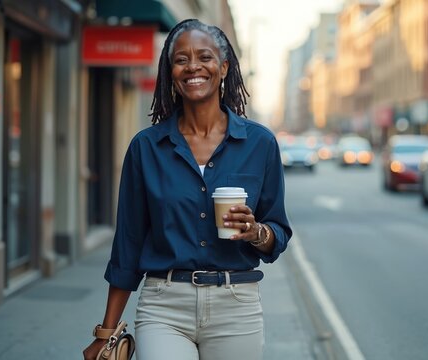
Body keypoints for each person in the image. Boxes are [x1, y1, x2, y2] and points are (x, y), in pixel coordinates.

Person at [83, 19, 292, 360]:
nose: (193, 66)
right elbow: (128, 245)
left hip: (235, 305)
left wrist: (256, 232)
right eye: (181, 59)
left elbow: (278, 231)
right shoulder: (146, 147)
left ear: (223, 67)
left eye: (204, 57)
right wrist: (105, 332)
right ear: (170, 73)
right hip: (164, 305)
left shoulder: (260, 144)